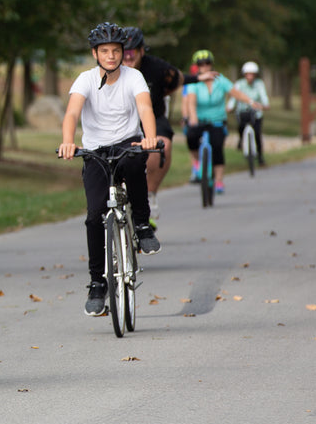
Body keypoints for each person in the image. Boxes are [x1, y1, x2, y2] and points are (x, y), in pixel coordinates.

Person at [58, 22, 160, 317]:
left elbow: (145, 109)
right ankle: (96, 283)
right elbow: (72, 112)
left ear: (122, 53)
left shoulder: (134, 77)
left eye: (116, 51)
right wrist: (68, 142)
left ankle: (141, 225)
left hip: (128, 143)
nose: (112, 56)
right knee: (93, 216)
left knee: (135, 163)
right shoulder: (85, 80)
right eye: (105, 51)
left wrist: (149, 136)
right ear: (95, 53)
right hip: (95, 151)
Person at [120, 27, 182, 216]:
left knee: (160, 147)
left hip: (154, 115)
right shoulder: (113, 69)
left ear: (141, 51)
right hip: (124, 119)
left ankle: (150, 193)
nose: (128, 57)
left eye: (132, 52)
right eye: (124, 52)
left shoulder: (156, 67)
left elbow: (178, 78)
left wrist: (197, 78)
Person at [181, 50, 254, 195]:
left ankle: (219, 180)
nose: (205, 66)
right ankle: (196, 164)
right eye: (201, 64)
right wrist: (192, 117)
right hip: (199, 120)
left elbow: (235, 93)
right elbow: (191, 101)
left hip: (217, 120)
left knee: (217, 148)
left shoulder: (220, 80)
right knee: (191, 136)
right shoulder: (194, 81)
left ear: (211, 64)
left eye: (207, 63)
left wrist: (251, 102)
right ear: (197, 66)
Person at [233, 61, 269, 165]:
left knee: (257, 134)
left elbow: (263, 96)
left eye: (252, 74)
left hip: (256, 113)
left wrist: (265, 105)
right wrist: (230, 107)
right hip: (242, 112)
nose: (250, 76)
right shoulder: (239, 84)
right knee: (240, 127)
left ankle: (260, 156)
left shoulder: (259, 84)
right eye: (248, 74)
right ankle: (241, 140)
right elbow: (235, 97)